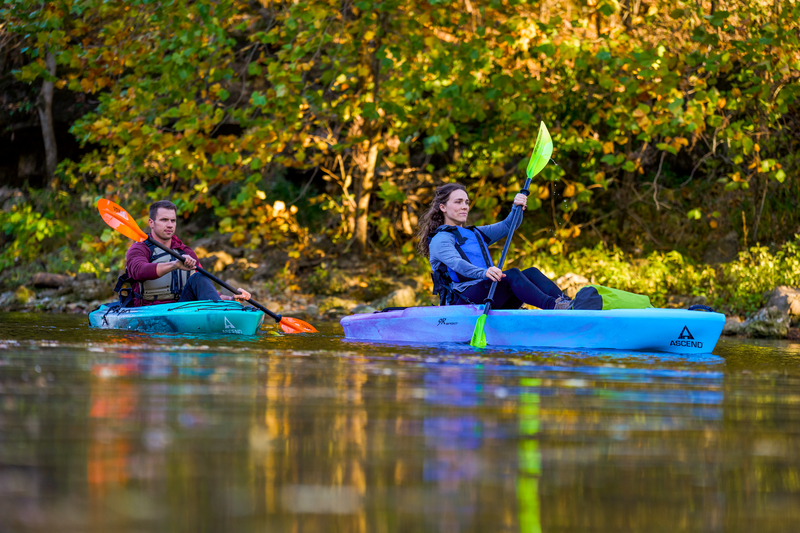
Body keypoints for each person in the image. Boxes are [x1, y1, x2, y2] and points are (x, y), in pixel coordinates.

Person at [416, 183, 573, 310]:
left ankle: (567, 304)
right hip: (462, 301)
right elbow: (458, 264)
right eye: (458, 202)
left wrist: (516, 207)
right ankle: (552, 307)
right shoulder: (440, 239)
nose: (464, 206)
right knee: (511, 274)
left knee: (531, 272)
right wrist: (484, 273)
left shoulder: (475, 233)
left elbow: (508, 225)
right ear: (443, 207)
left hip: (489, 295)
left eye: (466, 202)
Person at [120, 200, 251, 307]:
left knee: (198, 278)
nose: (170, 225)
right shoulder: (139, 249)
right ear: (151, 223)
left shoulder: (185, 251)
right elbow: (138, 271)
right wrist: (174, 265)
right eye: (164, 220)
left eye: (173, 220)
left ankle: (222, 314)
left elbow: (203, 289)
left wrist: (231, 298)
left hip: (181, 308)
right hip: (150, 309)